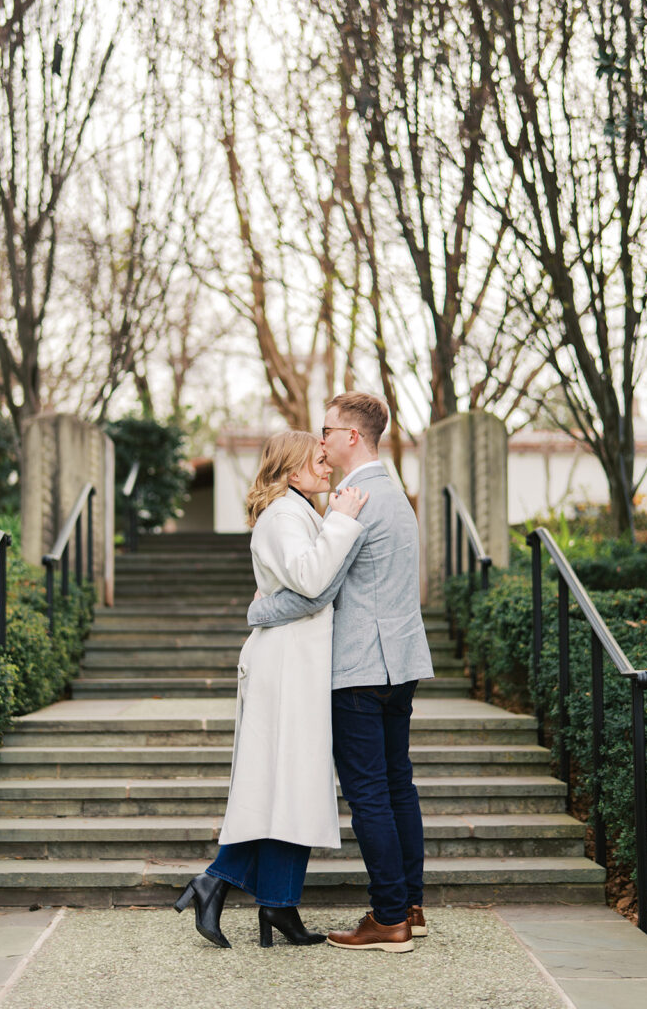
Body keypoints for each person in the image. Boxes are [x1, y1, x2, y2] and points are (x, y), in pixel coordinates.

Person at [247, 392, 434, 953]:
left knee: (369, 792)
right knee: (397, 783)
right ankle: (410, 904)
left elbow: (315, 591)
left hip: (357, 667)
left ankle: (389, 917)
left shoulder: (355, 501)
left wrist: (259, 610)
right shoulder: (395, 493)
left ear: (353, 436)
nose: (320, 439)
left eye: (327, 430)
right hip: (400, 662)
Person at [174, 430, 369, 949]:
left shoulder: (296, 511)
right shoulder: (283, 515)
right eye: (316, 461)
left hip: (297, 664)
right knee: (282, 784)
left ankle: (276, 904)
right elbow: (310, 579)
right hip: (283, 667)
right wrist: (345, 520)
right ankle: (219, 881)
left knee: (294, 787)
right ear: (291, 471)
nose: (326, 467)